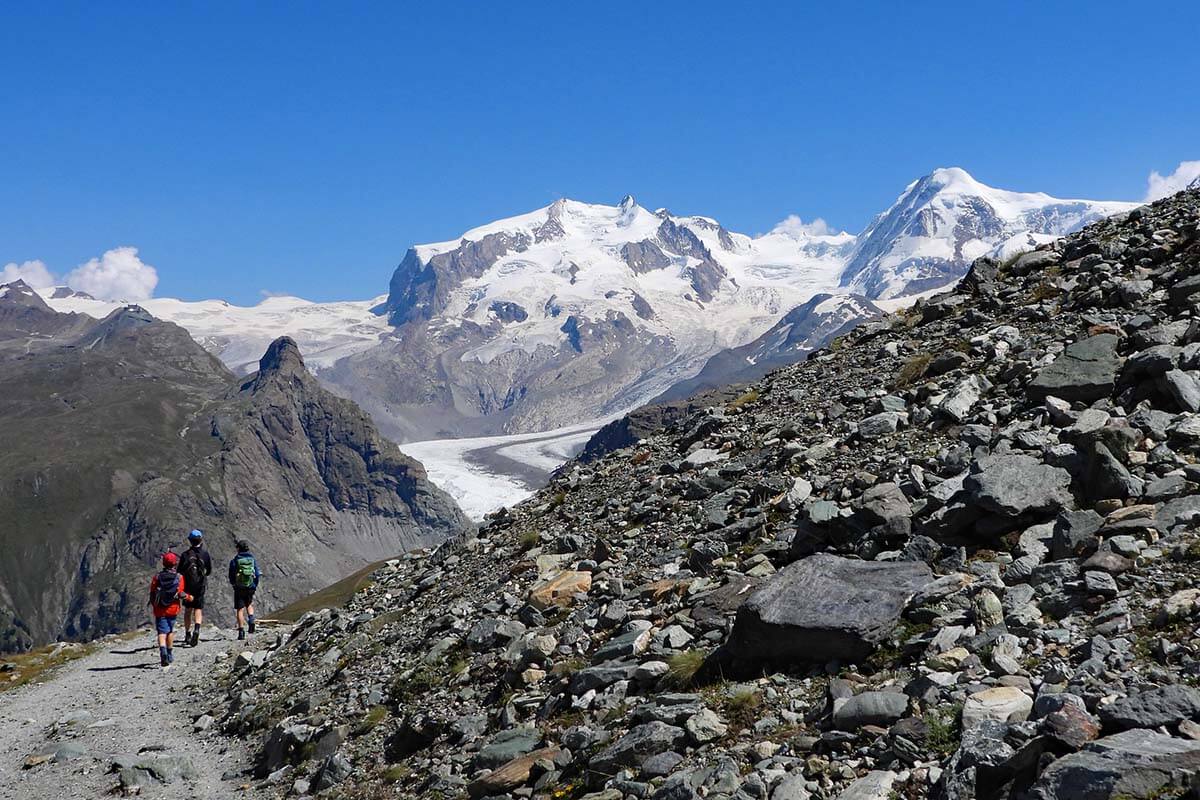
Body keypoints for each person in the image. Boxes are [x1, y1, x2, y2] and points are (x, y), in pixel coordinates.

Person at [149, 552, 193, 669]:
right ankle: (169, 654)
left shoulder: (157, 577)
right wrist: (189, 597)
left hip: (160, 609)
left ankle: (162, 652)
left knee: (161, 632)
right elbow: (180, 593)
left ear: (163, 563)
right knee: (170, 631)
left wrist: (154, 605)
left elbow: (153, 592)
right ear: (175, 563)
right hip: (173, 609)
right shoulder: (179, 577)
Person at [179, 529, 213, 647]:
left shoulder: (185, 555)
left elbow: (180, 571)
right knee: (198, 609)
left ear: (190, 540)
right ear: (201, 540)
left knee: (188, 610)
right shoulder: (205, 554)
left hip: (188, 586)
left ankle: (188, 634)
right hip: (200, 585)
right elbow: (208, 571)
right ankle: (197, 629)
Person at [229, 540, 261, 640]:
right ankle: (251, 620)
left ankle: (241, 631)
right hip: (250, 585)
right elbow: (256, 573)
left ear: (238, 549)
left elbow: (231, 575)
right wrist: (254, 584)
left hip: (239, 587)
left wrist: (234, 584)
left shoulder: (235, 560)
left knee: (240, 609)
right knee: (249, 604)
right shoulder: (252, 559)